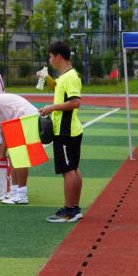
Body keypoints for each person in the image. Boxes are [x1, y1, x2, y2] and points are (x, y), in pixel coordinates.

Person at [39, 41, 84, 222]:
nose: (50, 60)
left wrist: (51, 107)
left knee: (68, 171)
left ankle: (68, 211)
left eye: (51, 56)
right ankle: (74, 208)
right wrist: (47, 78)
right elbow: (58, 87)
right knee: (73, 169)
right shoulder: (66, 75)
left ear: (58, 56)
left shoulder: (70, 76)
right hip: (70, 130)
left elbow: (75, 102)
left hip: (65, 132)